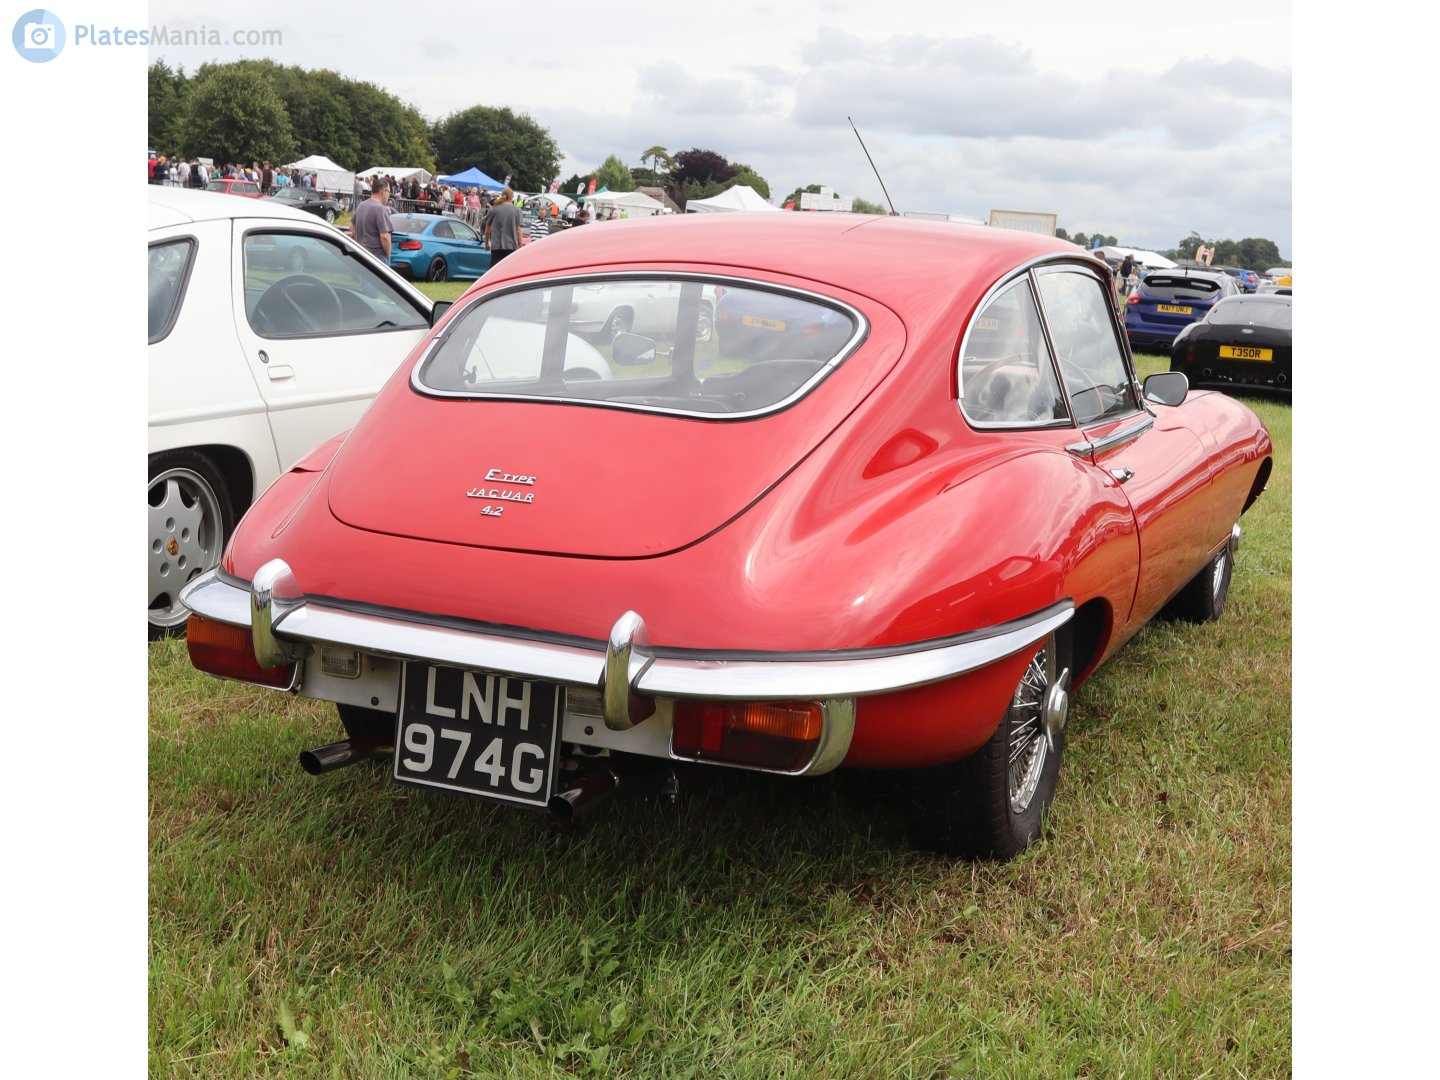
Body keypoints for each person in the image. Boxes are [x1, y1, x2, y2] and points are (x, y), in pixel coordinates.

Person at [352, 177, 393, 262]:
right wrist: (388, 254)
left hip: (362, 253)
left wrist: (358, 241)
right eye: (389, 192)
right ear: (383, 192)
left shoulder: (361, 205)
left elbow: (352, 225)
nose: (389, 195)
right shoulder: (380, 209)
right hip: (377, 256)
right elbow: (385, 236)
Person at [483, 188, 524, 266]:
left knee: (494, 273)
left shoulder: (493, 209)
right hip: (511, 247)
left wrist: (486, 244)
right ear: (511, 197)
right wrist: (520, 246)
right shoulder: (517, 210)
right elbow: (518, 231)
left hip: (496, 247)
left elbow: (487, 230)